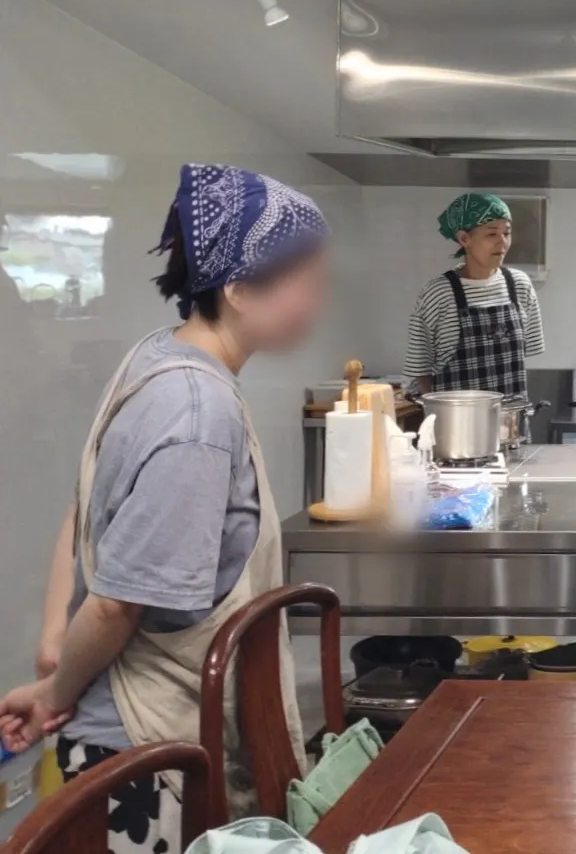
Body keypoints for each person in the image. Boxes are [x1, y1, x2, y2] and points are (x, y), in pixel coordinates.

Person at [0, 164, 329, 853]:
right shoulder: (197, 412)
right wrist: (57, 692)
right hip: (147, 759)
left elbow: (82, 512)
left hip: (120, 733)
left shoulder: (155, 358)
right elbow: (117, 604)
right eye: (306, 279)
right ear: (239, 288)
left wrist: (54, 655)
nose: (317, 298)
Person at [405, 192, 544, 398]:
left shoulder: (520, 285)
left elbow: (525, 354)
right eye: (492, 234)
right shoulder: (438, 293)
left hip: (511, 416)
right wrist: (438, 411)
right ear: (464, 239)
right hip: (456, 418)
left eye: (506, 233)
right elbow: (419, 370)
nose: (503, 242)